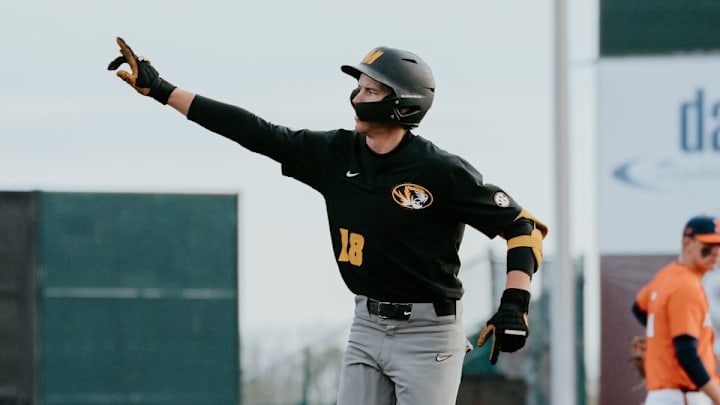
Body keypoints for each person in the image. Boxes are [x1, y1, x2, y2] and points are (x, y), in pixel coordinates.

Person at [108, 37, 548, 404]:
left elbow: (523, 227)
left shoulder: (440, 171)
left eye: (371, 91)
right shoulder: (333, 154)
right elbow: (253, 131)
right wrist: (163, 89)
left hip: (428, 335)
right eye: (358, 87)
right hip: (367, 324)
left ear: (403, 105)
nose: (357, 97)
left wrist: (516, 303)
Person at [632, 215, 720, 405]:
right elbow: (687, 355)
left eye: (719, 246)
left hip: (663, 395)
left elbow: (638, 308)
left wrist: (661, 340)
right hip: (682, 396)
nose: (715, 252)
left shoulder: (666, 276)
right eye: (709, 245)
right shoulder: (686, 285)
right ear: (687, 243)